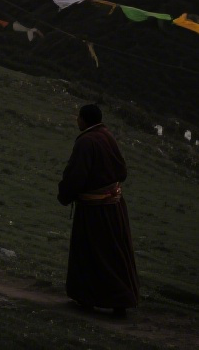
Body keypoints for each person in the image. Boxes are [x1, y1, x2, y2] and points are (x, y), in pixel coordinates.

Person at [56, 103, 140, 317]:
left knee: (91, 253)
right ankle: (120, 301)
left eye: (78, 118)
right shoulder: (107, 135)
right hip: (115, 207)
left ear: (83, 120)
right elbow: (122, 170)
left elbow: (76, 175)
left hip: (94, 211)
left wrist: (65, 194)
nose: (77, 121)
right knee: (115, 253)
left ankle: (88, 298)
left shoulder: (86, 141)